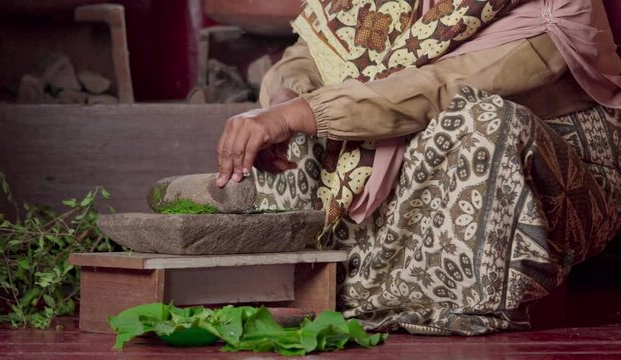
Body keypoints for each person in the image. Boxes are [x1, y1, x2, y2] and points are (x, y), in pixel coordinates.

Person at [215, 0, 621, 335]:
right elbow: (309, 54)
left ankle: (453, 298)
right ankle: (320, 285)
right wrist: (285, 96)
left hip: (555, 174)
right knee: (290, 126)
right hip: (413, 147)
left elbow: (442, 88)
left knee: (483, 121)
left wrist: (303, 112)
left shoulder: (559, 7)